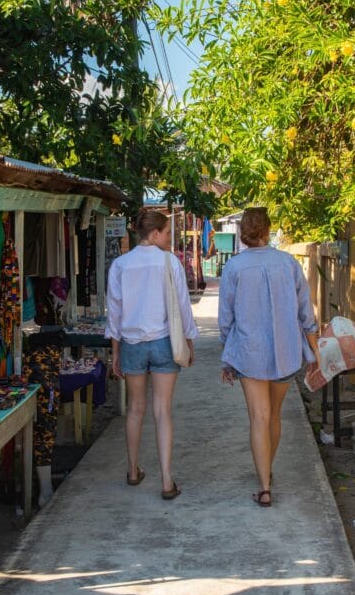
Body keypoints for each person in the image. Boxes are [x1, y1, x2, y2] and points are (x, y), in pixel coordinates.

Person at [218, 207, 319, 507]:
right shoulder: (287, 263)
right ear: (267, 229)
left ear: (243, 232)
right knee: (274, 415)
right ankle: (268, 470)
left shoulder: (234, 268)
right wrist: (313, 351)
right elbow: (306, 311)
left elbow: (226, 318)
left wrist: (228, 354)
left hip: (250, 352)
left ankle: (264, 486)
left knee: (258, 417)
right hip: (285, 350)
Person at [106, 210, 198, 500]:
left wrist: (115, 353)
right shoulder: (170, 262)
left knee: (135, 409)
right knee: (162, 411)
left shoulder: (120, 265)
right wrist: (189, 341)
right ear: (154, 233)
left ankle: (133, 471)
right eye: (168, 232)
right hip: (163, 342)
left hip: (132, 343)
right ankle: (167, 481)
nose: (170, 238)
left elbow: (115, 312)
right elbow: (183, 306)